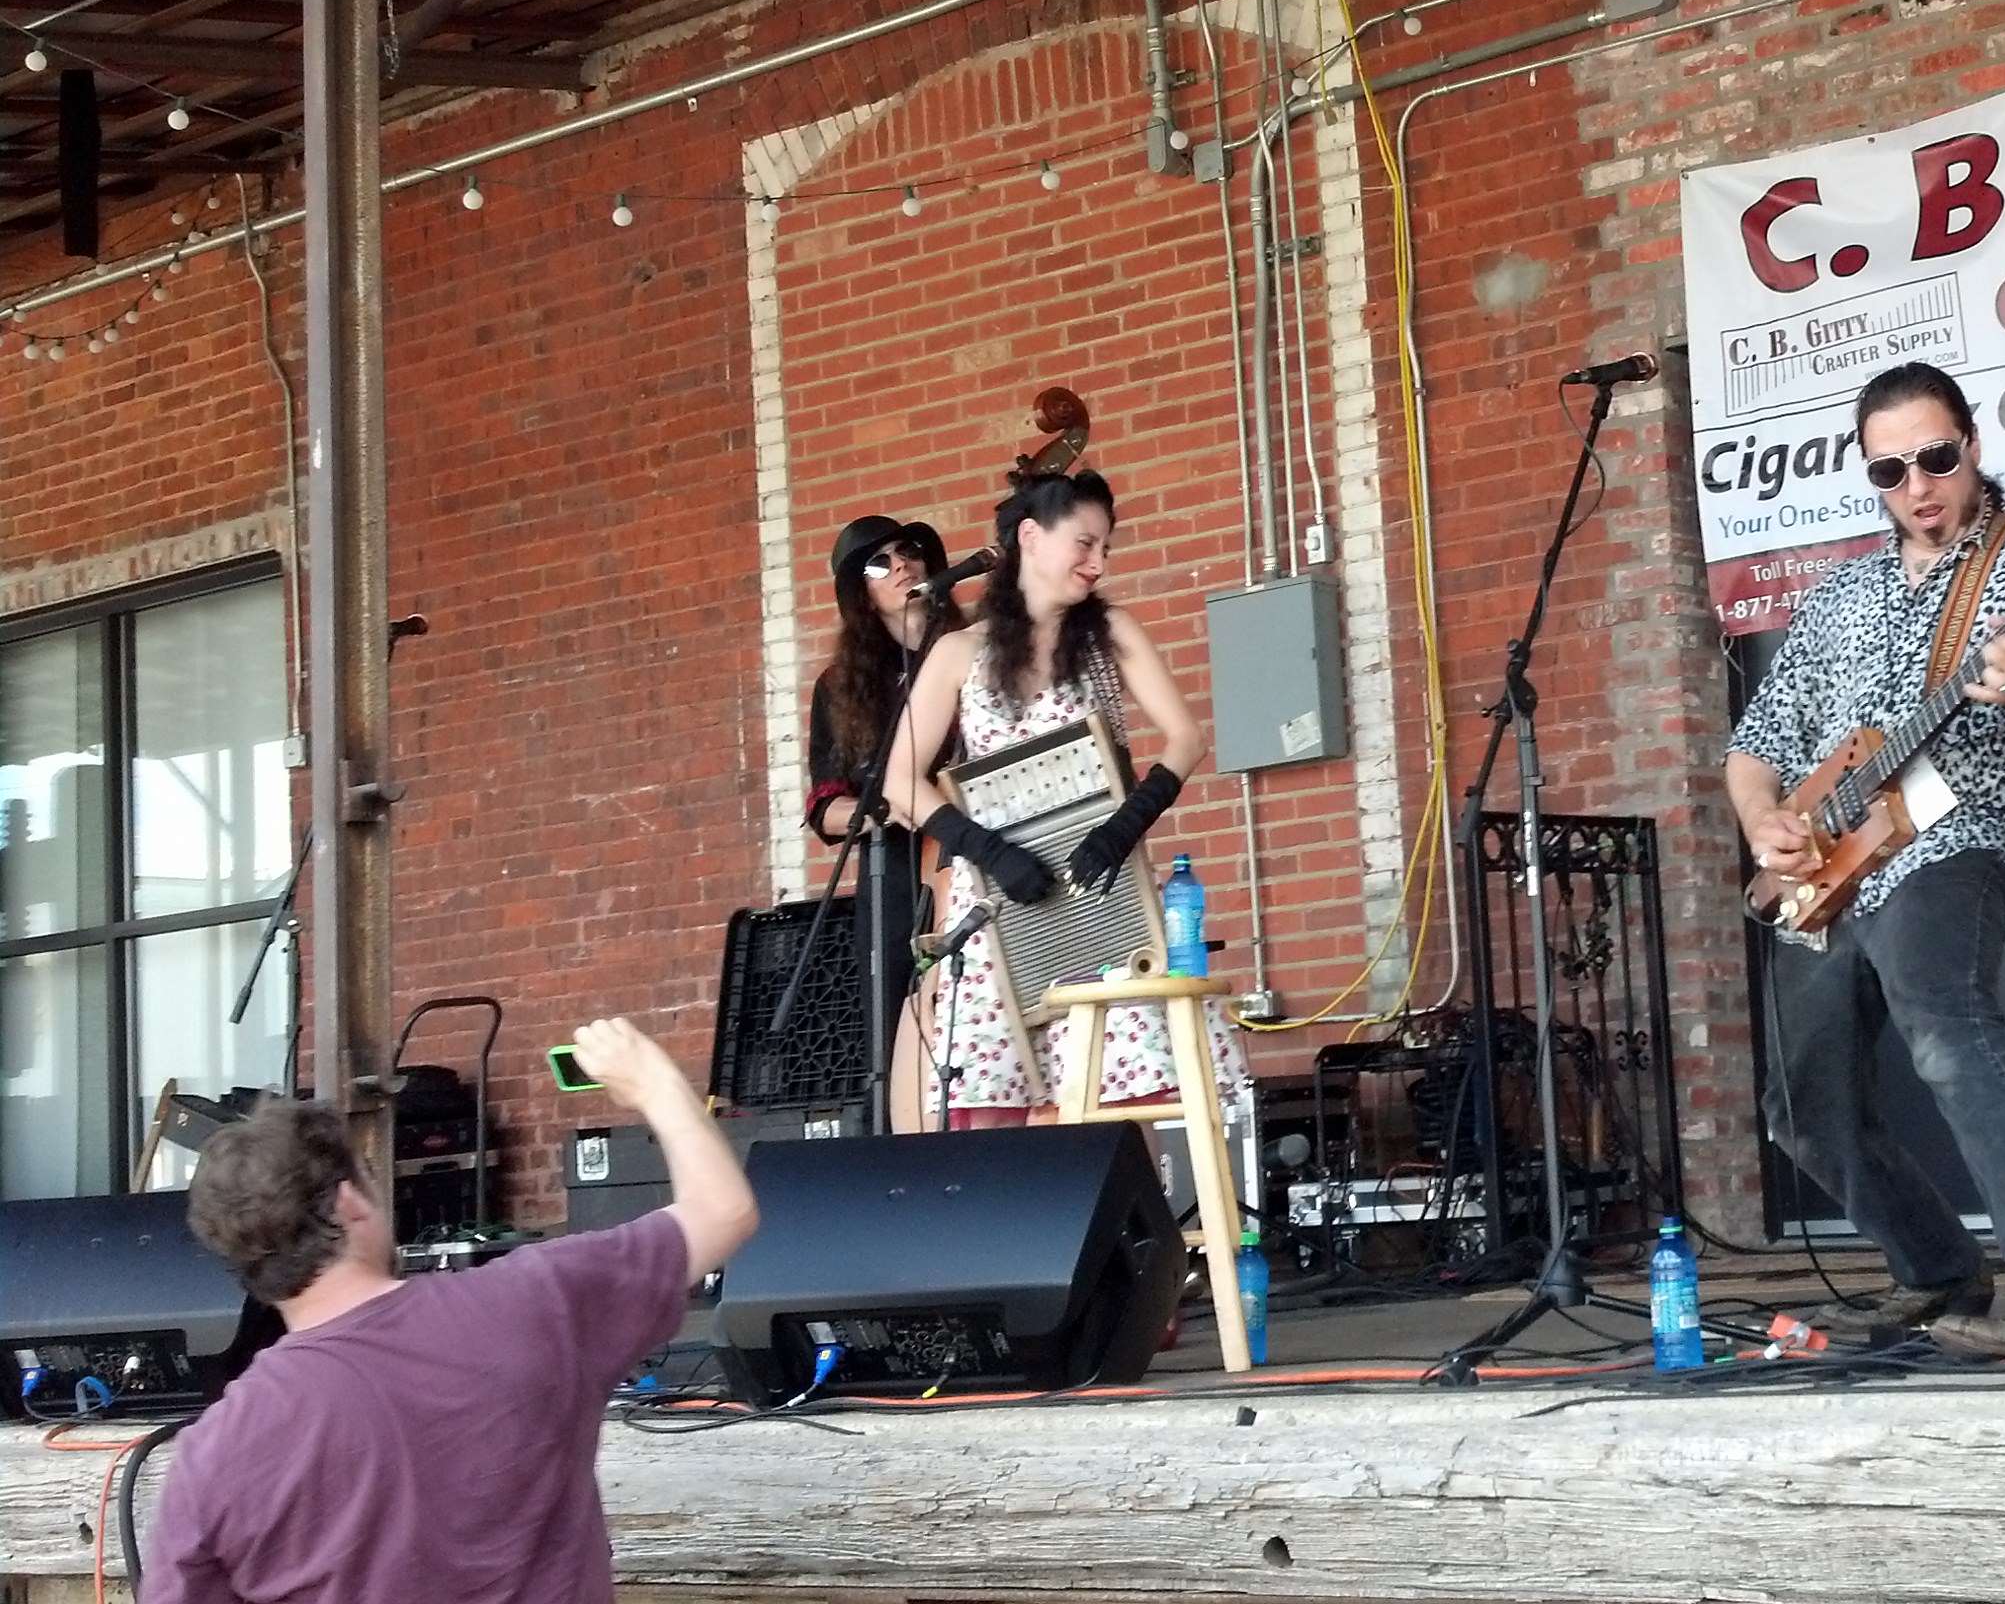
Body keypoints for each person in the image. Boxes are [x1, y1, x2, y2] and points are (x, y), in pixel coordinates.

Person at [1726, 361, 2005, 1360]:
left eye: (1935, 457)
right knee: (1800, 1100)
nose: (1917, 486)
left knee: (1939, 1016)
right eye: (1891, 469)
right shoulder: (1838, 598)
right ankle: (1934, 1268)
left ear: (1973, 445)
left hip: (1962, 836)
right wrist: (1764, 823)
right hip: (1829, 865)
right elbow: (1756, 742)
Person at [147, 1019, 757, 1603]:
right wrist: (654, 1082)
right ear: (351, 1203)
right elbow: (721, 1211)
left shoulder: (211, 1457)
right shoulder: (537, 1302)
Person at [884, 465, 1248, 1126]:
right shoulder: (959, 653)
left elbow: (1186, 738)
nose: (1098, 561)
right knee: (990, 1114)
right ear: (1029, 535)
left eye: (1106, 546)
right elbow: (897, 782)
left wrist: (1121, 828)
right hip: (999, 904)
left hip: (1099, 894)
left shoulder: (1111, 637)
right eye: (1084, 542)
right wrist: (989, 853)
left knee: (1122, 1106)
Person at [805, 513, 966, 1132]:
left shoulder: (975, 651)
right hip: (895, 866)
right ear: (861, 595)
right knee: (894, 1030)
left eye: (909, 552)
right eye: (880, 563)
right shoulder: (841, 687)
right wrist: (881, 807)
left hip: (974, 854)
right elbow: (826, 809)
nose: (902, 565)